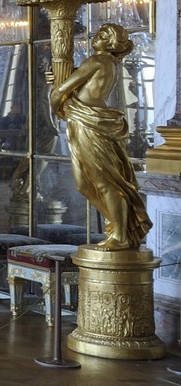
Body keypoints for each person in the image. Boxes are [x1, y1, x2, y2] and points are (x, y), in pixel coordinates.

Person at [51, 23, 152, 250]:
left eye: (103, 35)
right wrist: (61, 83)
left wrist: (58, 106)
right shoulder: (106, 63)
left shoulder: (98, 60)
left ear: (112, 42)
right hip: (83, 121)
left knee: (105, 183)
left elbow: (61, 91)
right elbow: (75, 86)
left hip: (90, 123)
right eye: (98, 33)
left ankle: (121, 235)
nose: (96, 37)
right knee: (83, 184)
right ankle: (120, 225)